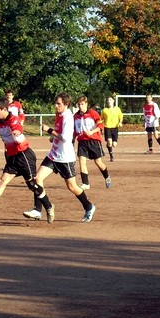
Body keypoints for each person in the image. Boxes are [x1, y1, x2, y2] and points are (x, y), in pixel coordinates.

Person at [23, 92, 96, 223]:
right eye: (55, 103)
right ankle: (38, 210)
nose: (56, 106)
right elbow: (59, 132)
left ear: (66, 104)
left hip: (65, 158)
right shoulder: (59, 114)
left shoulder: (68, 117)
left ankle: (89, 206)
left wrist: (49, 130)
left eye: (59, 104)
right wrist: (53, 137)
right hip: (53, 155)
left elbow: (66, 138)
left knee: (72, 187)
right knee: (37, 178)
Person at [74, 96, 112, 190]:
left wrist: (92, 132)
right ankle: (85, 183)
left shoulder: (93, 113)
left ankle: (107, 177)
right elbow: (74, 130)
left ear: (86, 104)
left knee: (98, 162)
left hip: (93, 140)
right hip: (82, 141)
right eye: (79, 104)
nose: (80, 106)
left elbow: (100, 125)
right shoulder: (75, 116)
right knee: (82, 161)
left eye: (82, 104)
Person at [100, 96, 124, 161]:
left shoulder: (117, 109)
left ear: (113, 101)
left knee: (114, 144)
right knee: (110, 142)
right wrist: (99, 123)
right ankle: (111, 156)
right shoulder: (104, 110)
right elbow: (101, 119)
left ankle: (108, 145)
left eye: (110, 100)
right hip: (107, 127)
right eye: (108, 100)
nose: (109, 101)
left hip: (115, 128)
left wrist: (120, 122)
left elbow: (121, 117)